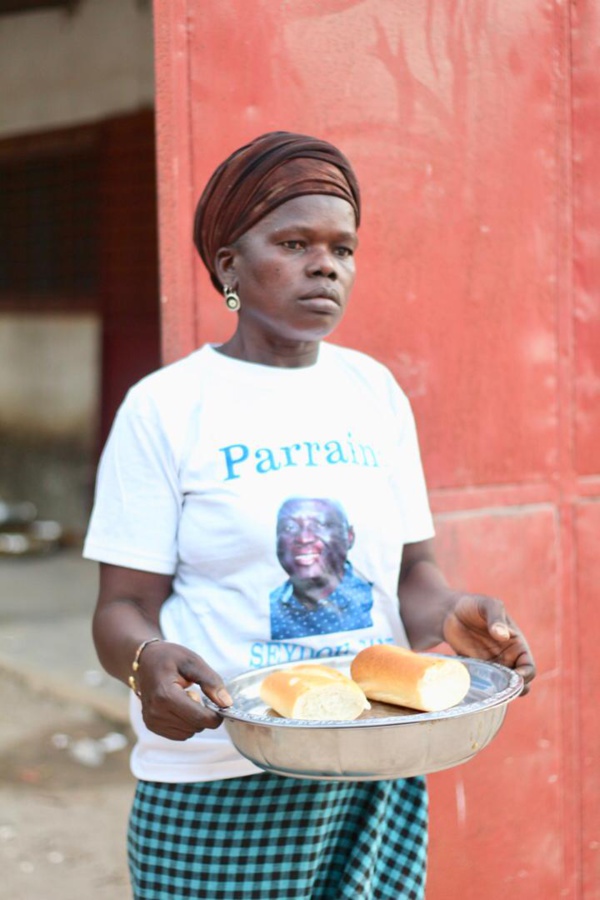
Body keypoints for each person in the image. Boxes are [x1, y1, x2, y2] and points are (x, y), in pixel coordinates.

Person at [84, 130, 536, 900]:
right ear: (229, 265)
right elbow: (122, 608)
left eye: (342, 249)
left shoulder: (372, 392)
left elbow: (412, 573)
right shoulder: (166, 408)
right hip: (221, 778)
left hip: (375, 762)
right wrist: (145, 661)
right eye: (295, 244)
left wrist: (452, 613)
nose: (326, 265)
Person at [269, 496, 374, 640]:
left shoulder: (372, 599)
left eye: (320, 525)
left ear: (349, 537)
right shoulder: (268, 607)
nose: (304, 538)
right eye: (289, 527)